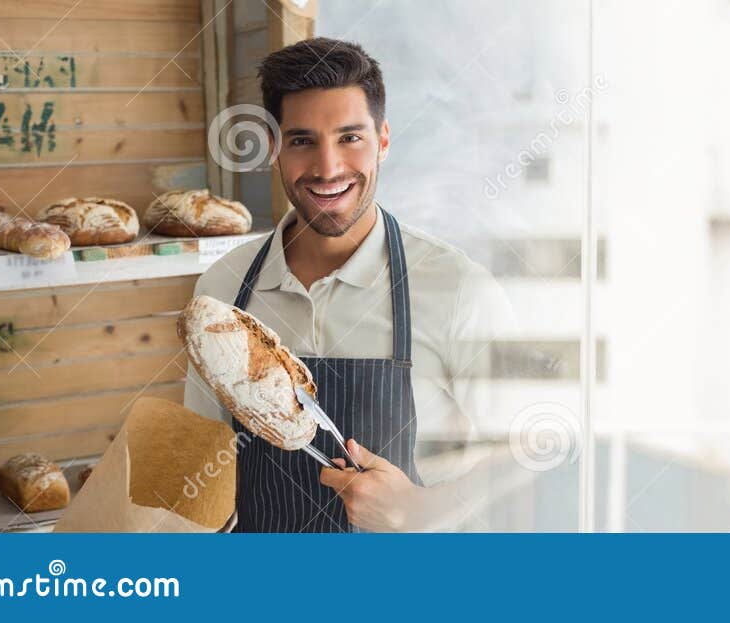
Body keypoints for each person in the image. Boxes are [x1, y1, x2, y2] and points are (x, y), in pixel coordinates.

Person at [184, 37, 508, 532]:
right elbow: (202, 468)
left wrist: (420, 511)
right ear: (273, 148)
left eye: (350, 137)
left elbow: (528, 466)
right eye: (302, 141)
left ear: (383, 140)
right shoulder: (223, 289)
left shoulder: (460, 291)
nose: (328, 168)